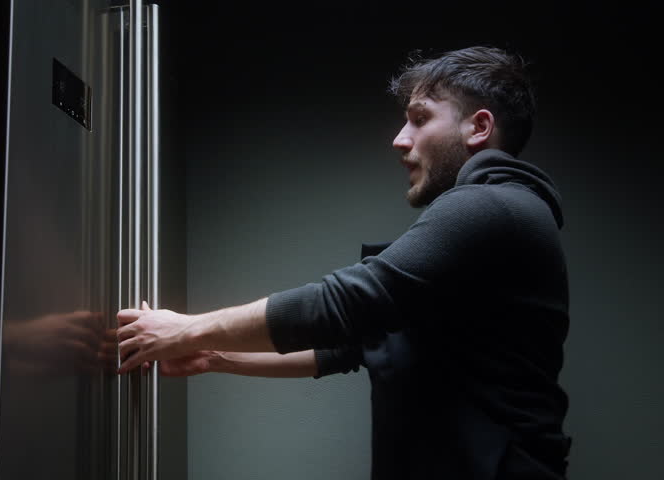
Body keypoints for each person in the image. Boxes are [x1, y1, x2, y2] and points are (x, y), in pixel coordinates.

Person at [117, 46, 573, 479]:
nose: (400, 139)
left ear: (479, 127)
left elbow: (344, 304)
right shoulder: (498, 216)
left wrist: (186, 329)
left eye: (420, 119)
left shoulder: (493, 206)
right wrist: (213, 355)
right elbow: (352, 344)